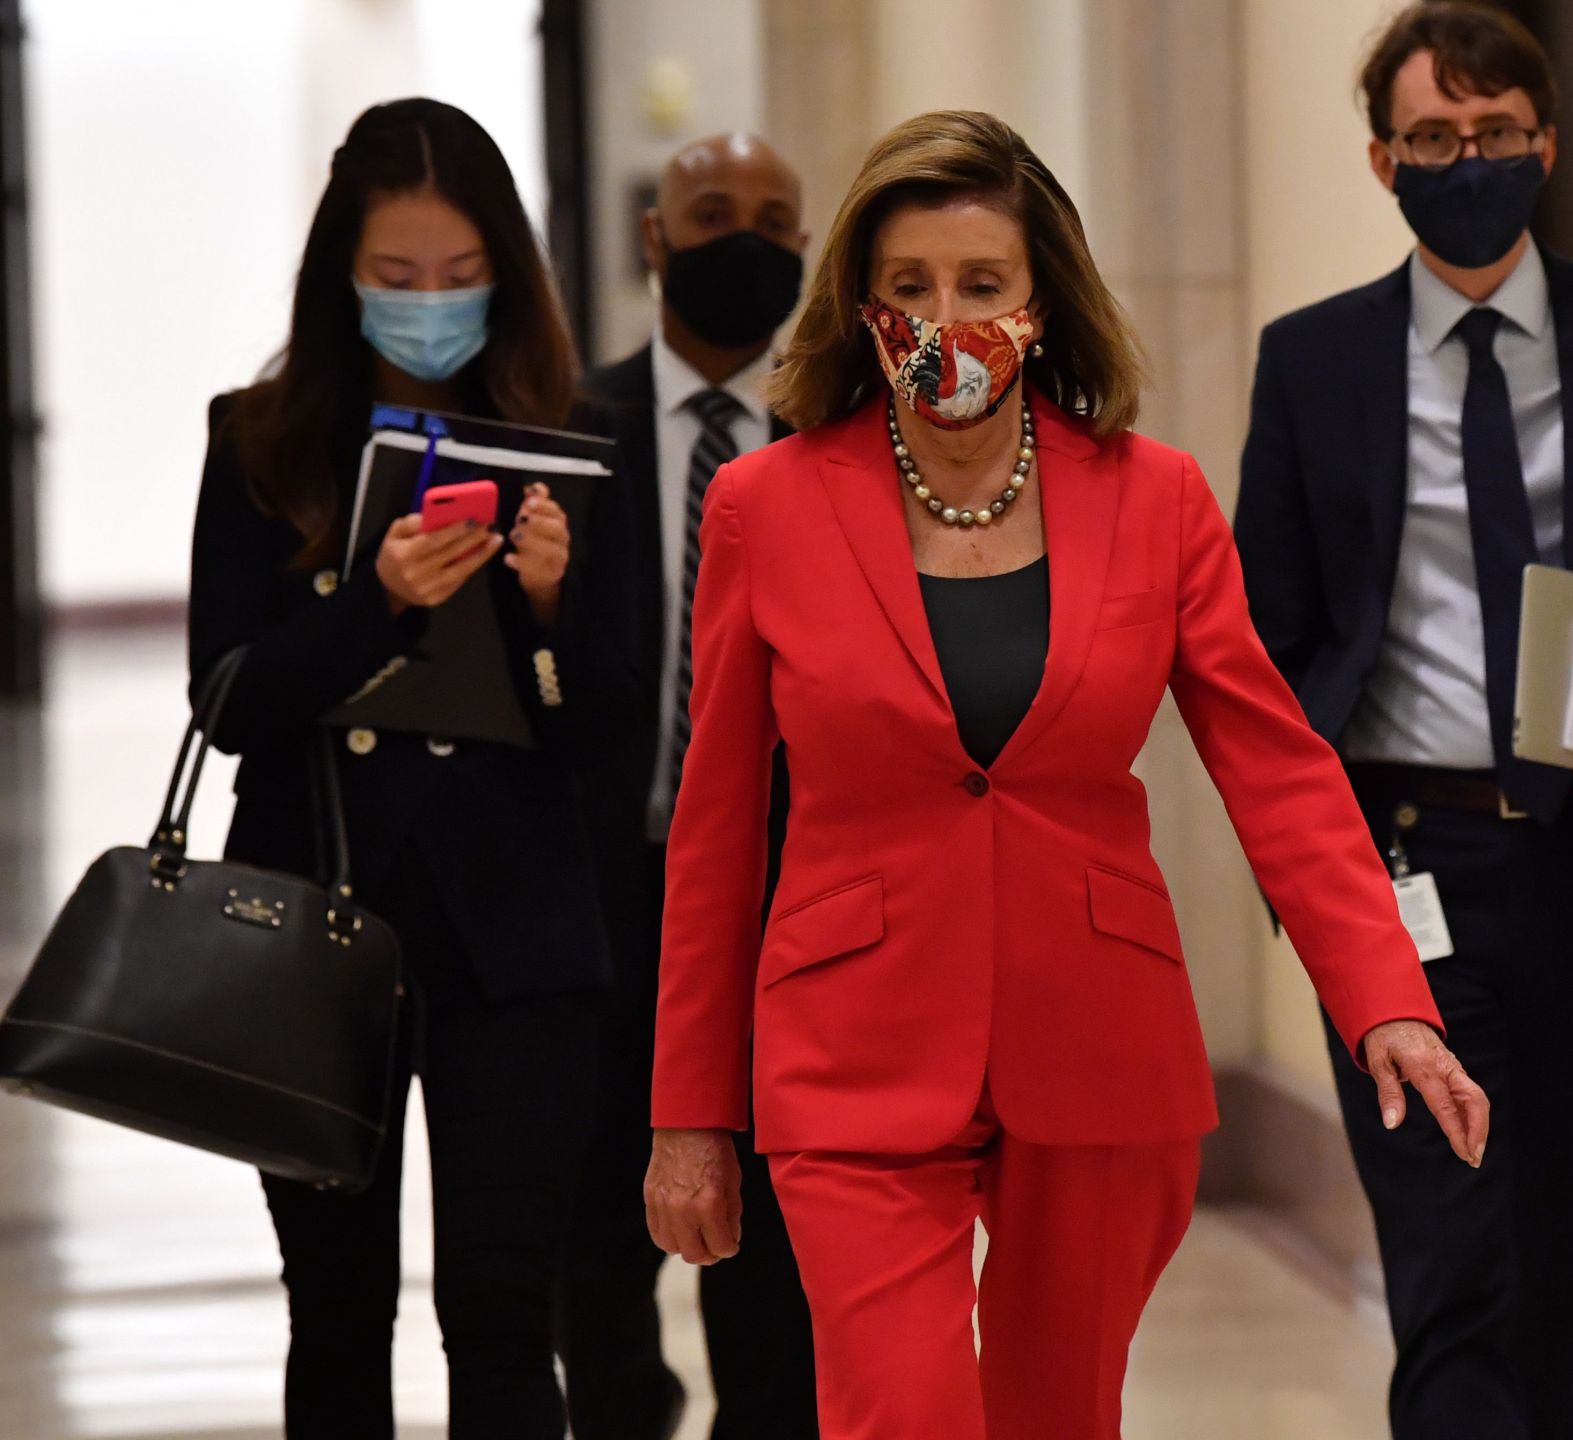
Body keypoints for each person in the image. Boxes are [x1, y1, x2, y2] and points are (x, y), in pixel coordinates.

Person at [640, 109, 1489, 1440]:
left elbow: (1276, 766)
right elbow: (715, 832)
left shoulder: (1154, 501)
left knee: (1058, 1414)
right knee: (901, 1413)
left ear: (1043, 302)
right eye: (911, 287)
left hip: (1095, 1037)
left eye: (983, 285)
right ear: (863, 305)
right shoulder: (769, 506)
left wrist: (1385, 996)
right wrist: (688, 1112)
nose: (946, 318)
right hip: (851, 1044)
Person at [1232, 5, 1573, 1437]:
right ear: (1380, 159)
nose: (1463, 160)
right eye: (1430, 139)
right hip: (1403, 877)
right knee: (1450, 1271)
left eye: (1490, 136)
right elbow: (1263, 643)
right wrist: (1312, 865)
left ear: (1544, 144)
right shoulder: (1313, 365)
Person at [188, 99, 642, 1439]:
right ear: (344, 275)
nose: (430, 306)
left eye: (458, 277)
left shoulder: (571, 442)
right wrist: (370, 607)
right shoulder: (261, 442)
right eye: (397, 279)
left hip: (519, 937)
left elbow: (607, 729)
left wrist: (551, 617)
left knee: (506, 1312)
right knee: (334, 1311)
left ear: (506, 274)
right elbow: (230, 700)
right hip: (316, 929)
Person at [564, 131, 819, 1440]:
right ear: (655, 239)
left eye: (778, 223)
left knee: (776, 1303)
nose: (747, 241)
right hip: (595, 915)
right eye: (714, 213)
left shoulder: (835, 445)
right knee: (592, 1274)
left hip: (783, 920)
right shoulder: (559, 423)